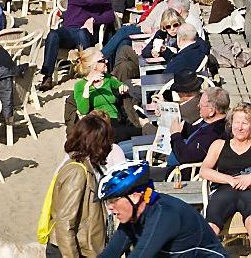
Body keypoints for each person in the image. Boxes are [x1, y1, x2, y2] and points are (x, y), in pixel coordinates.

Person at [97, 161, 226, 258]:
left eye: (113, 200)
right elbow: (110, 254)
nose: (110, 207)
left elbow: (140, 255)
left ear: (135, 196)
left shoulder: (164, 215)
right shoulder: (134, 218)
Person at [40, 0, 119, 91]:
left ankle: (88, 72)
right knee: (53, 34)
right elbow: (88, 0)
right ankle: (47, 76)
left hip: (88, 34)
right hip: (69, 31)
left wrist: (93, 19)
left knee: (83, 33)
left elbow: (110, 16)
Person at [44, 113, 110, 258]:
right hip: (73, 250)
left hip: (82, 248)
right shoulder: (77, 172)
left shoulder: (88, 166)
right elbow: (65, 222)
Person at [200, 101, 251, 237]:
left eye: (245, 123)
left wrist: (249, 178)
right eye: (236, 122)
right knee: (211, 225)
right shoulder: (219, 145)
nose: (239, 127)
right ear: (231, 123)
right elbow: (204, 170)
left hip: (249, 192)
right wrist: (228, 179)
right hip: (224, 190)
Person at [71, 49, 139, 142]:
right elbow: (83, 110)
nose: (106, 61)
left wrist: (122, 87)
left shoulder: (107, 78)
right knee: (131, 133)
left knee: (136, 132)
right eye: (102, 60)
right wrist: (87, 86)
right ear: (93, 66)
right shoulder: (80, 86)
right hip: (99, 125)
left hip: (116, 120)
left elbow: (120, 84)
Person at [163, 86, 230, 171]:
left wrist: (175, 134)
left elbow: (185, 157)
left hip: (180, 174)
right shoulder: (212, 123)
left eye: (201, 105)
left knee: (146, 174)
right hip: (176, 164)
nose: (198, 106)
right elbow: (195, 130)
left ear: (211, 111)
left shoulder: (212, 134)